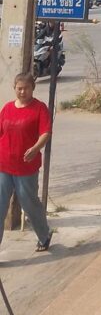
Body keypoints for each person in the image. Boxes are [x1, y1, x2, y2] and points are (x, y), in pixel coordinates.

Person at [0, 72, 52, 253]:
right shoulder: (7, 108)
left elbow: (46, 132)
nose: (22, 92)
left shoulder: (39, 108)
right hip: (3, 165)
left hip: (26, 168)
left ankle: (44, 235)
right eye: (19, 88)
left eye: (26, 88)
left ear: (32, 88)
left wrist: (36, 148)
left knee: (29, 204)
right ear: (14, 88)